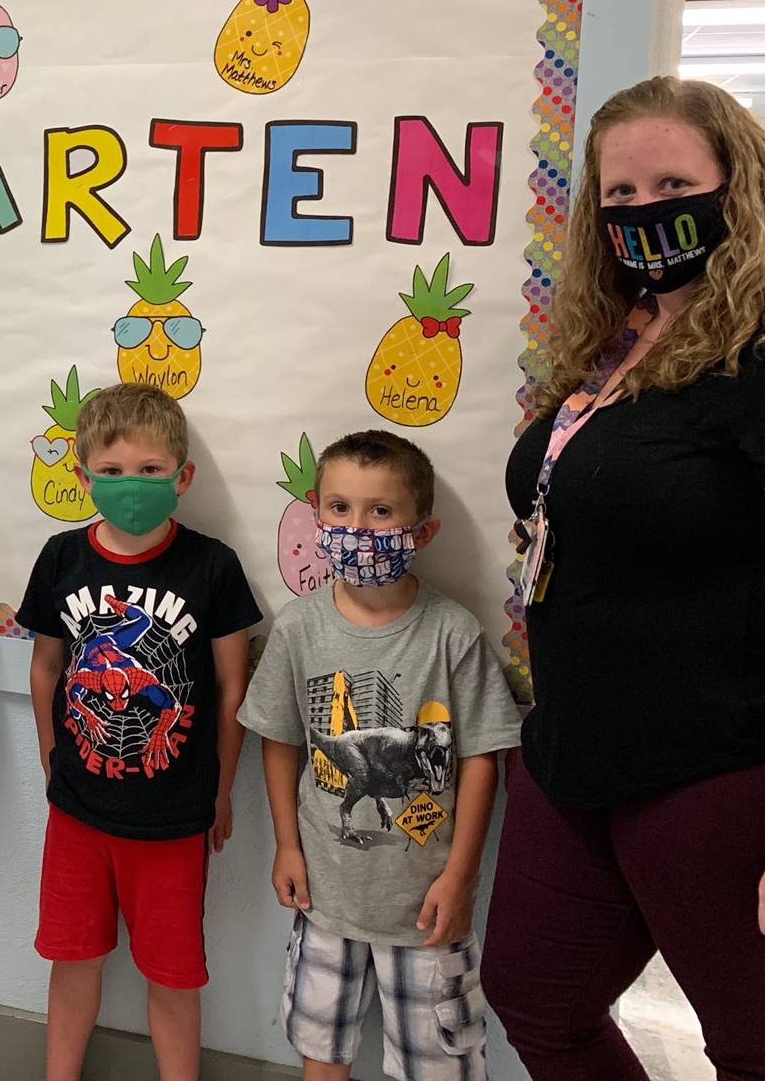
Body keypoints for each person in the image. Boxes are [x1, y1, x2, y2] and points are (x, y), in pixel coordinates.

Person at [484, 77, 765, 1078]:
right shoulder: (623, 337)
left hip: (729, 768)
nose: (647, 213)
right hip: (575, 754)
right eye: (622, 196)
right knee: (534, 997)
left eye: (675, 183)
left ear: (740, 188)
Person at [239, 430, 518, 1081]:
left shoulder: (453, 632)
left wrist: (462, 874)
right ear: (316, 514)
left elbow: (483, 756)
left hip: (426, 907)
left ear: (421, 530)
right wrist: (286, 843)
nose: (356, 528)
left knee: (439, 1066)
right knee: (319, 1049)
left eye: (380, 511)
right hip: (326, 897)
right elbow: (279, 740)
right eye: (338, 509)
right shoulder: (298, 627)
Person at [17, 381, 259, 1081]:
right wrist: (48, 759)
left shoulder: (212, 565)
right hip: (78, 813)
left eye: (151, 470)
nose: (132, 485)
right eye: (114, 470)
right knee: (72, 959)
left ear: (182, 476)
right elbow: (45, 669)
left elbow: (231, 686)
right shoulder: (62, 557)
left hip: (175, 819)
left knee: (175, 975)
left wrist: (219, 790)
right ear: (82, 472)